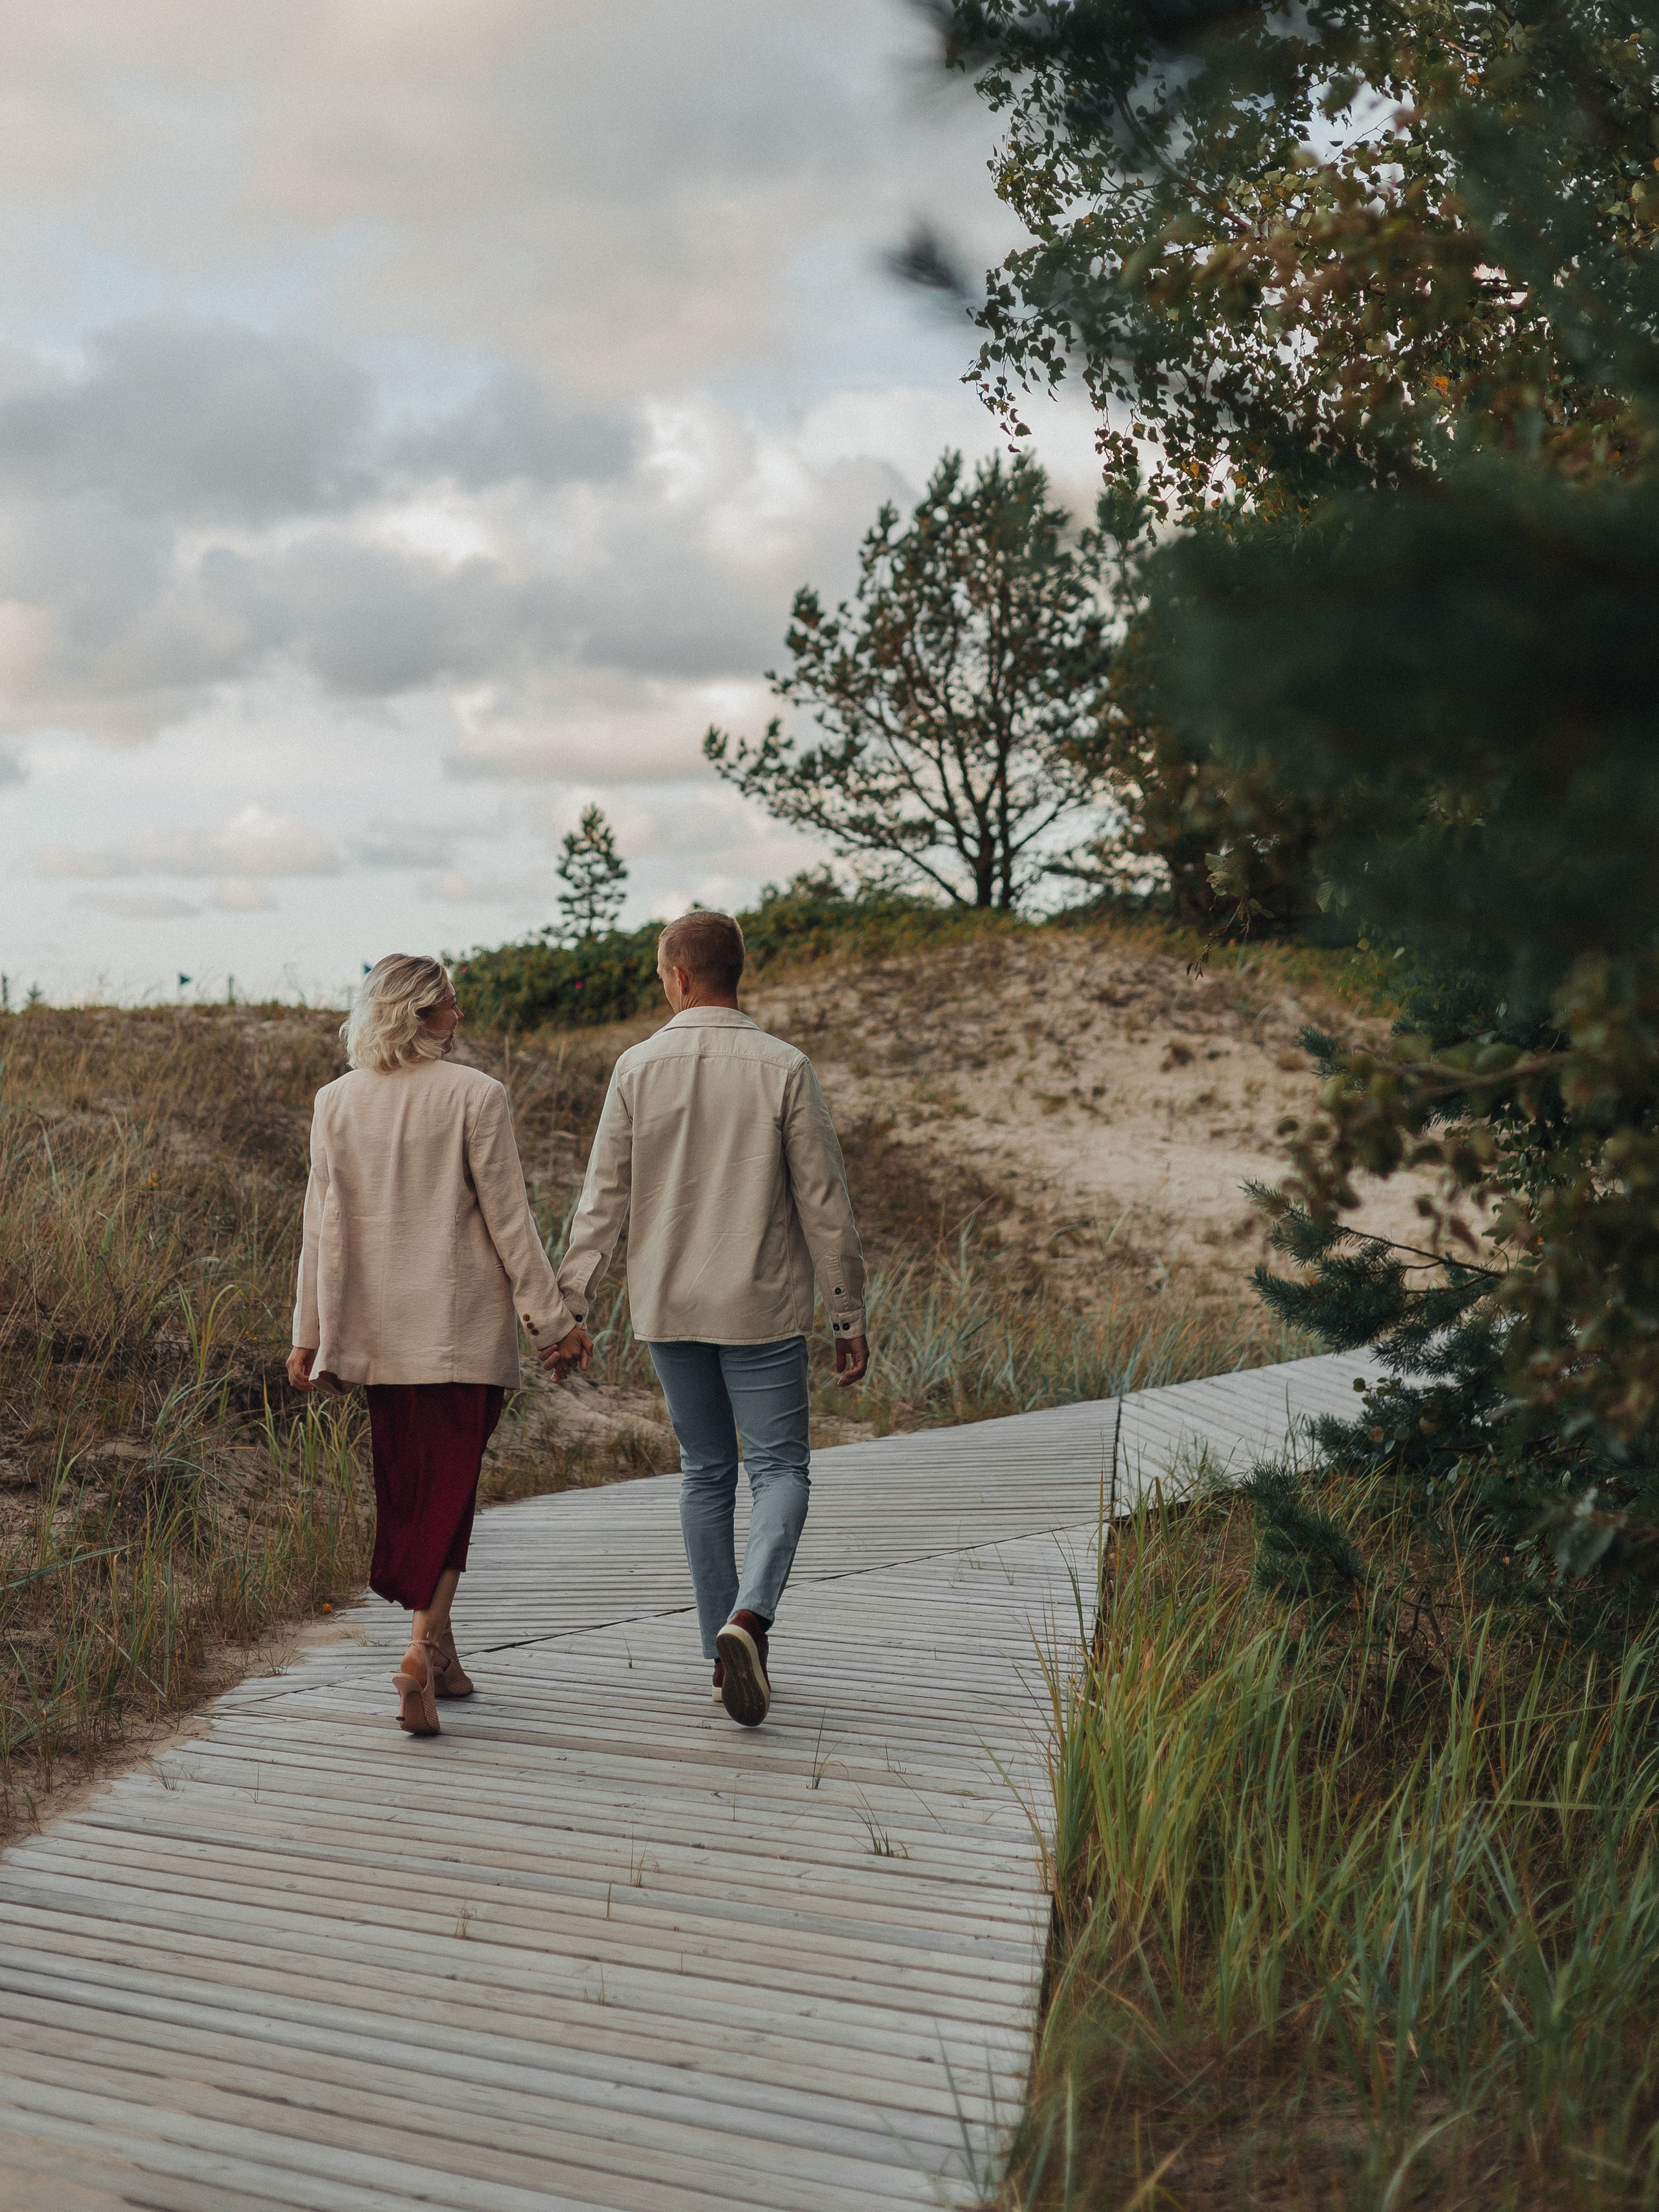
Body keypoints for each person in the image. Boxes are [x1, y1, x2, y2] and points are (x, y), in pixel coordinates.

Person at [548, 909, 868, 1728]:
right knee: (781, 1472)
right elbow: (823, 1202)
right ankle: (749, 1619)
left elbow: (601, 1200)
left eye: (662, 974)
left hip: (669, 1303)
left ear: (680, 977)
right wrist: (846, 1313)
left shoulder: (636, 1066)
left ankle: (719, 1664)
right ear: (736, 974)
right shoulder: (784, 1066)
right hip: (758, 1302)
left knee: (704, 1471)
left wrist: (568, 1305)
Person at [287, 954, 570, 1737]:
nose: (459, 1015)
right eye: (449, 1003)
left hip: (376, 1333)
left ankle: (441, 1656)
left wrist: (308, 1334)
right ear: (417, 1013)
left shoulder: (335, 1101)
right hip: (459, 1332)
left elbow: (319, 1225)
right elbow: (511, 1222)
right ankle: (418, 1651)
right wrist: (553, 1323)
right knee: (450, 1494)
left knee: (417, 1492)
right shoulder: (477, 1095)